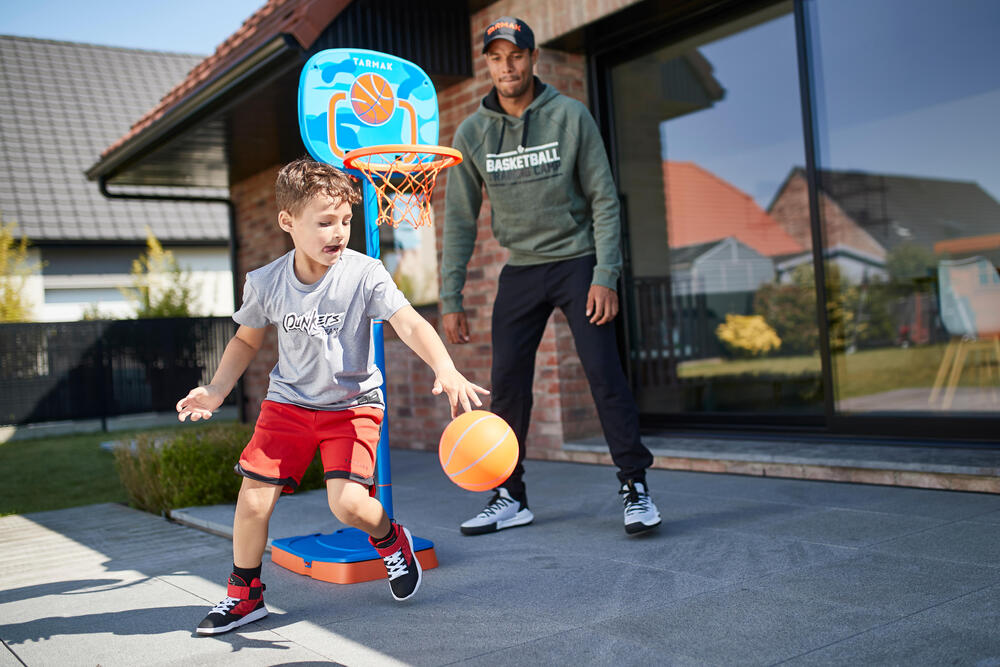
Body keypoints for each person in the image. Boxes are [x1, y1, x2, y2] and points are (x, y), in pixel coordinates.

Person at [177, 158, 488, 635]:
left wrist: (444, 367)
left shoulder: (365, 273)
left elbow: (408, 321)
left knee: (346, 505)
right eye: (324, 222)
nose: (338, 231)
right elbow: (245, 340)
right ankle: (244, 597)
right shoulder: (266, 282)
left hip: (352, 406)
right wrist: (216, 390)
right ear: (288, 222)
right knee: (253, 499)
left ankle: (391, 541)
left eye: (344, 220)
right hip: (288, 405)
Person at [441, 16, 661, 537]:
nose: (506, 66)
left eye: (514, 55)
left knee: (604, 373)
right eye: (495, 57)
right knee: (508, 384)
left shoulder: (570, 116)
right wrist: (450, 295)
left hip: (577, 262)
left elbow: (604, 198)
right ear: (487, 64)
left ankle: (635, 485)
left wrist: (606, 272)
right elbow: (458, 218)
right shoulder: (473, 133)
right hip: (521, 270)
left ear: (533, 57)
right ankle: (509, 494)